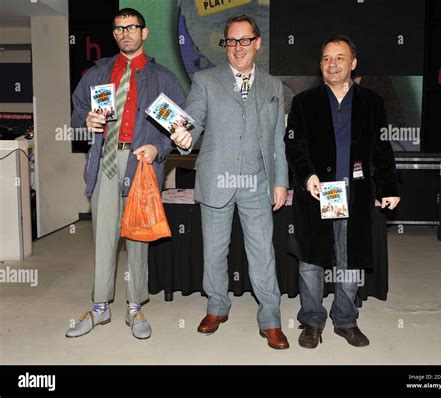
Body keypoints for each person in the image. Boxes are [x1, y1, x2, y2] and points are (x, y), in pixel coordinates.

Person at [170, 15, 290, 349]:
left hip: (257, 182)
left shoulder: (273, 86)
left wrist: (280, 181)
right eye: (232, 41)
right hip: (216, 180)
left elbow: (278, 140)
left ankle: (271, 318)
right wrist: (183, 136)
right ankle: (216, 307)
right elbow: (191, 122)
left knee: (263, 253)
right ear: (226, 45)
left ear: (257, 43)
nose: (238, 48)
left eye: (244, 40)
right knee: (214, 251)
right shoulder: (205, 81)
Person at [66, 8, 185, 340]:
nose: (125, 33)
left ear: (144, 33)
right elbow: (76, 111)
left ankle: (135, 308)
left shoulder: (163, 78)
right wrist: (85, 122)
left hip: (142, 162)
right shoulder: (99, 73)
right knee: (104, 236)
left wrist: (158, 149)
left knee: (137, 237)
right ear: (114, 34)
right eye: (119, 28)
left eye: (132, 27)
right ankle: (100, 306)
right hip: (106, 160)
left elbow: (181, 129)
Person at [284, 35, 400, 349]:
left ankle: (346, 320)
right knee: (311, 261)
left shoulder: (371, 102)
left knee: (350, 261)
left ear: (353, 63)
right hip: (316, 194)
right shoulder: (304, 102)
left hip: (356, 195)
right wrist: (307, 175)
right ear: (320, 64)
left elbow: (381, 147)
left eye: (339, 58)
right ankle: (311, 320)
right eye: (326, 58)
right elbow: (294, 146)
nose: (332, 64)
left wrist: (388, 186)